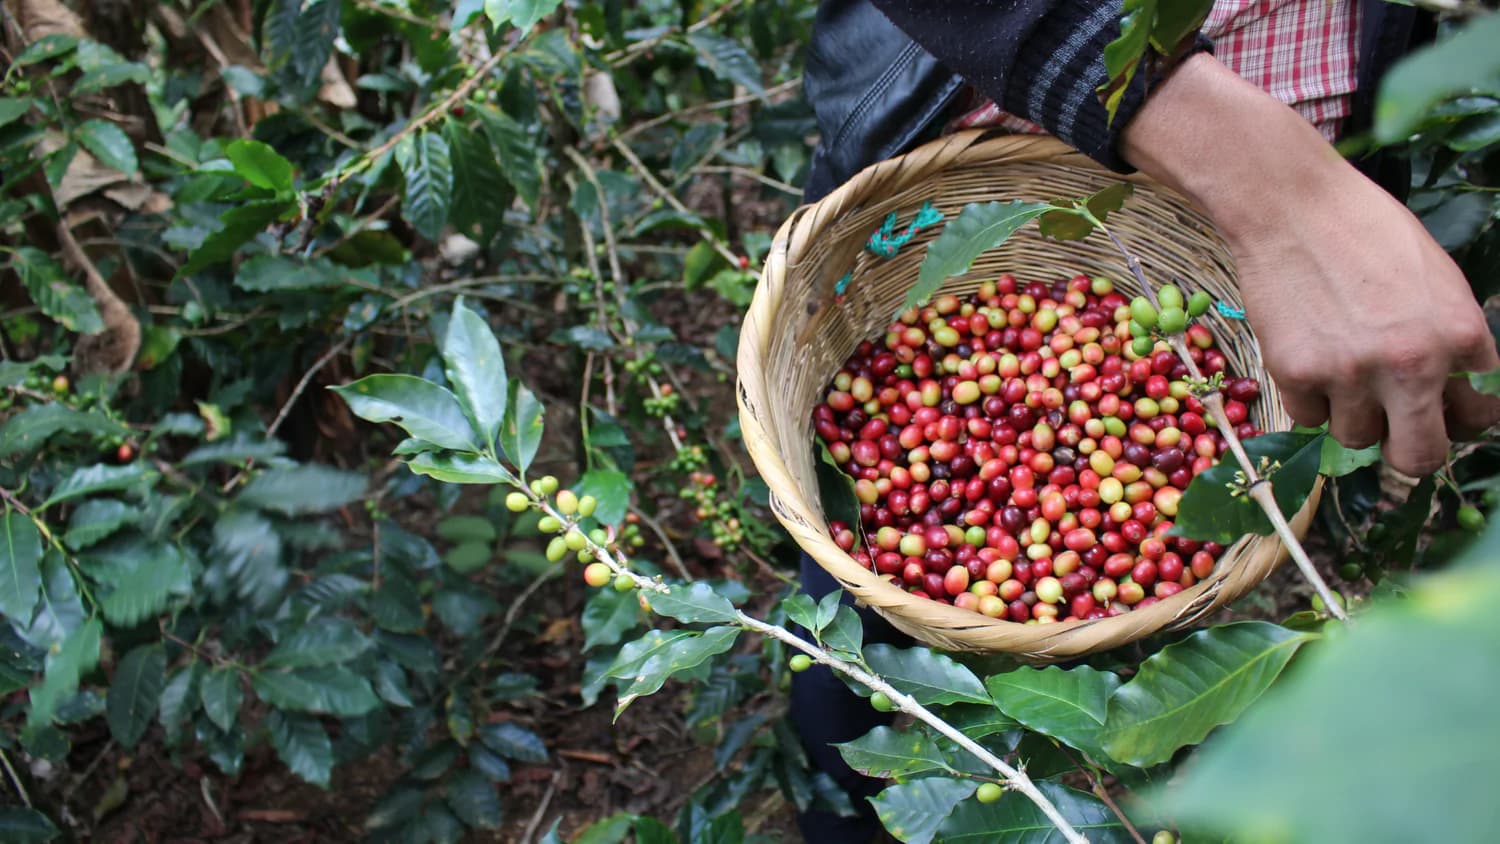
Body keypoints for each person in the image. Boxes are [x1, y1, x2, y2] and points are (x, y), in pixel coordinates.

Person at [789, 1, 1500, 840]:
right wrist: (1281, 189)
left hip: (1257, 225)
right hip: (964, 141)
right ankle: (843, 809)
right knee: (845, 611)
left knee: (1126, 634)